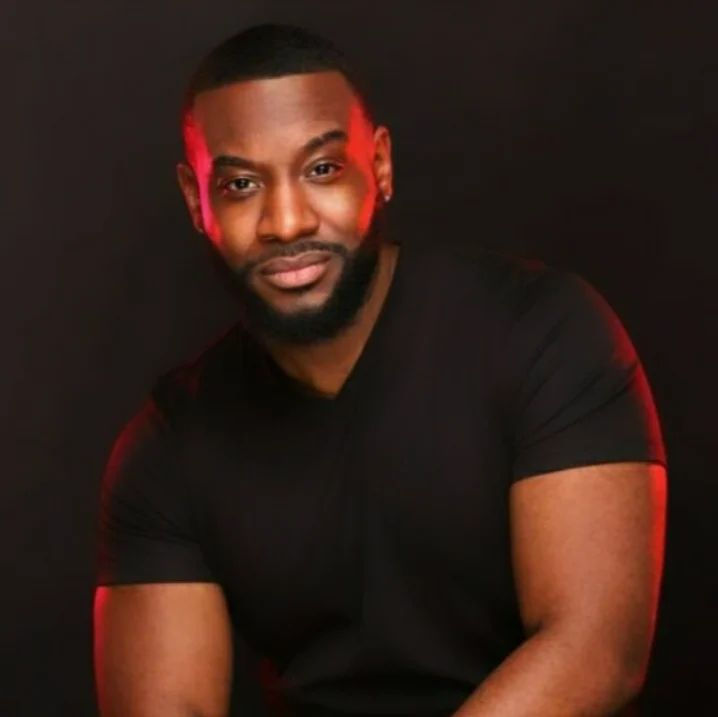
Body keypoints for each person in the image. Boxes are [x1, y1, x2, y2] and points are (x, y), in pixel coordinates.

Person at [93, 23, 667, 717]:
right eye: (242, 184)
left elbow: (596, 651)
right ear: (197, 202)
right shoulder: (168, 447)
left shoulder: (543, 331)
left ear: (382, 165)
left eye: (322, 169)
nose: (286, 221)